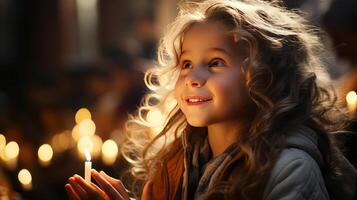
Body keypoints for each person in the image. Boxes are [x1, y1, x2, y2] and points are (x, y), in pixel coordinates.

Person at [65, 0, 357, 199]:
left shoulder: (290, 169)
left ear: (265, 75)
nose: (194, 77)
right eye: (186, 63)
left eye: (215, 62)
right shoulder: (180, 163)